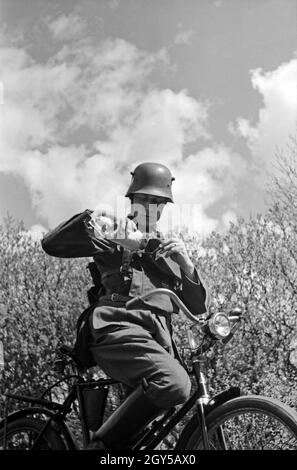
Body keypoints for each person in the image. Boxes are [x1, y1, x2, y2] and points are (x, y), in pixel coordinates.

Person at [41, 162, 209, 450]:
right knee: (175, 384)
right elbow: (52, 244)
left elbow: (198, 305)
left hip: (156, 342)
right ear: (133, 199)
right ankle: (99, 446)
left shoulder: (167, 250)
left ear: (165, 207)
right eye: (145, 199)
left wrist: (188, 265)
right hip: (118, 328)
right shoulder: (115, 231)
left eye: (159, 201)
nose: (151, 206)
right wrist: (95, 218)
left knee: (142, 444)